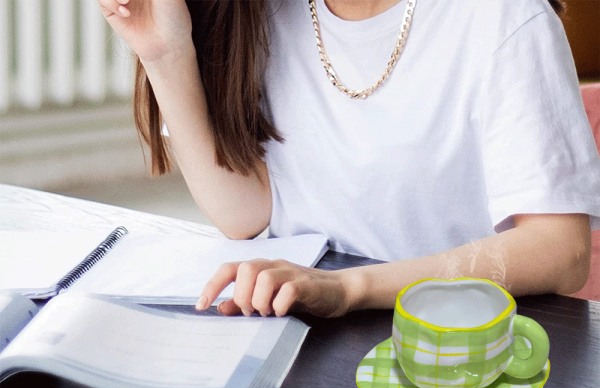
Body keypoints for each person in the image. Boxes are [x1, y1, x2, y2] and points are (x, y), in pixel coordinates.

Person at [98, 0, 600, 318]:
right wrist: (163, 54)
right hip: (295, 337)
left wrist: (349, 288)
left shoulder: (502, 18)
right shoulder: (257, 15)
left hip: (451, 351)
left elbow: (561, 251)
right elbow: (246, 215)